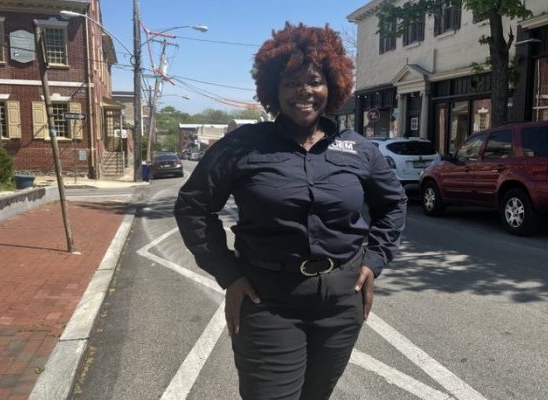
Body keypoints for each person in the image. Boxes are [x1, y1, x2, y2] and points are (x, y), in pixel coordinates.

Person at [174, 22, 407, 400]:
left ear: (332, 85)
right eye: (290, 82)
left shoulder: (358, 149)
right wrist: (228, 273)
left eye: (314, 80)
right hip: (268, 301)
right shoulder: (242, 146)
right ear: (272, 90)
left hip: (340, 301)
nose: (303, 91)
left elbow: (393, 203)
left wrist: (375, 259)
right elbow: (193, 207)